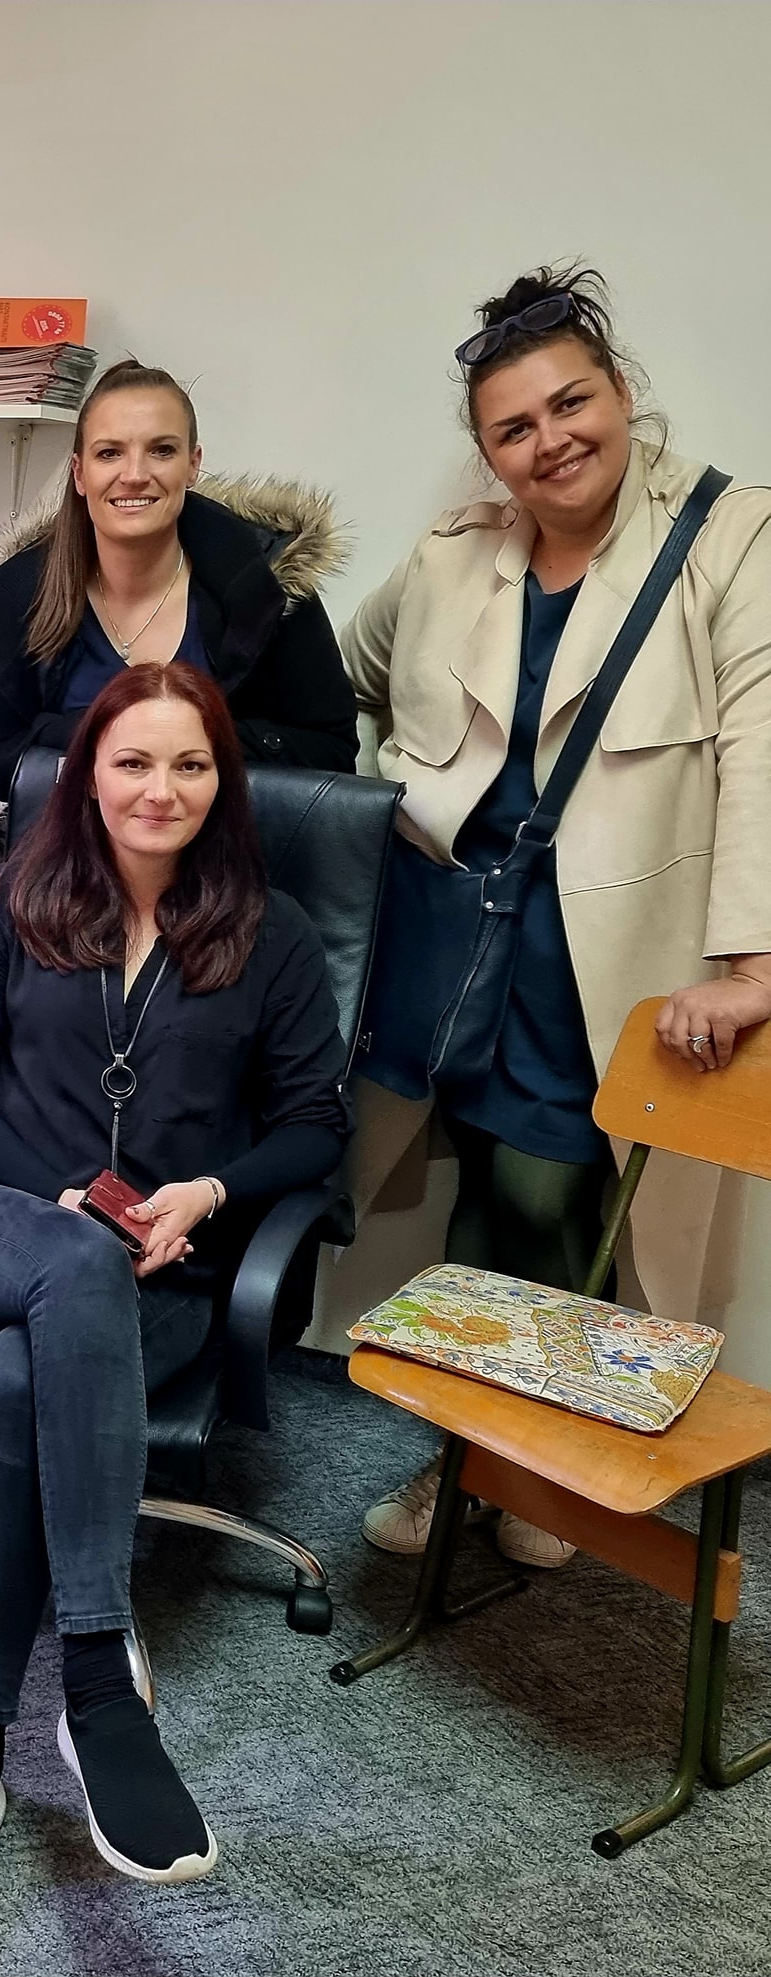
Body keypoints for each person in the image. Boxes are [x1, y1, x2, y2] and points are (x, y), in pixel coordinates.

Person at [0, 661, 349, 1939]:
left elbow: (315, 1125)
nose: (160, 788)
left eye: (188, 764)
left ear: (220, 780)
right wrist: (58, 1198)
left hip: (161, 1268)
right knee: (72, 1259)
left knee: (12, 1382)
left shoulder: (268, 934)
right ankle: (97, 1679)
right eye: (132, 761)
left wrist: (206, 1190)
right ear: (86, 774)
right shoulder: (8, 899)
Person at [346, 266, 771, 1568]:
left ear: (620, 392)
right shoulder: (453, 557)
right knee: (481, 1184)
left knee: (546, 1190)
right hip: (460, 945)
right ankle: (478, 1459)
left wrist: (752, 964)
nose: (550, 441)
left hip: (612, 958)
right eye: (513, 428)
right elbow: (345, 675)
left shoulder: (730, 536)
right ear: (486, 451)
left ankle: (519, 1464)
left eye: (570, 403)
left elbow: (763, 746)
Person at [0, 359, 360, 801]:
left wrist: (198, 742)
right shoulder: (25, 595)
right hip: (75, 839)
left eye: (162, 450)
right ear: (79, 473)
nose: (134, 475)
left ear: (193, 465)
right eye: (109, 453)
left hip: (233, 837)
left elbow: (333, 752)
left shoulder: (265, 587)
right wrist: (92, 739)